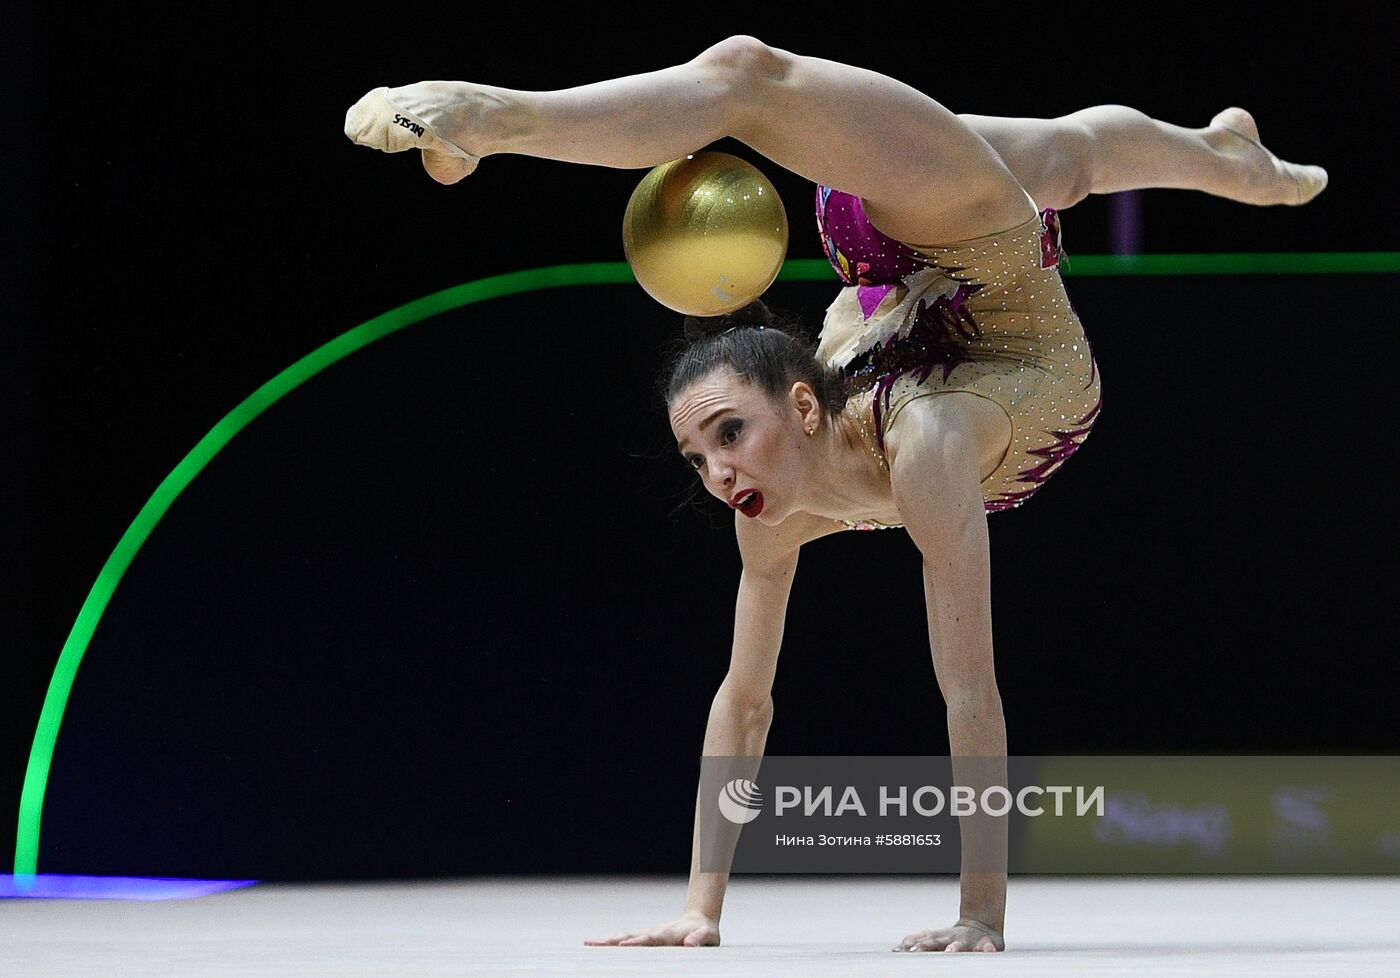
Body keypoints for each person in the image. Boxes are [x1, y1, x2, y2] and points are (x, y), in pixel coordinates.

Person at [344, 36, 1326, 953]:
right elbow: (745, 702)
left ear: (804, 407)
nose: (719, 476)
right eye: (698, 458)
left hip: (899, 270)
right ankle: (1227, 158)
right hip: (994, 292)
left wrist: (978, 914)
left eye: (729, 436)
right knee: (1057, 160)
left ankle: (492, 117)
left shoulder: (903, 449)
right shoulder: (831, 488)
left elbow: (968, 692)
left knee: (759, 77)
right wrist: (698, 909)